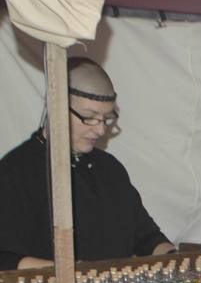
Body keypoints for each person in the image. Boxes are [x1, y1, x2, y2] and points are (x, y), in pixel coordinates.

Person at [0, 58, 176, 270]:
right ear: (56, 106)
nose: (100, 130)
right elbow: (6, 259)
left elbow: (149, 239)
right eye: (89, 117)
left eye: (107, 118)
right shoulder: (15, 172)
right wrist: (75, 275)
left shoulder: (111, 170)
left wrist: (176, 258)